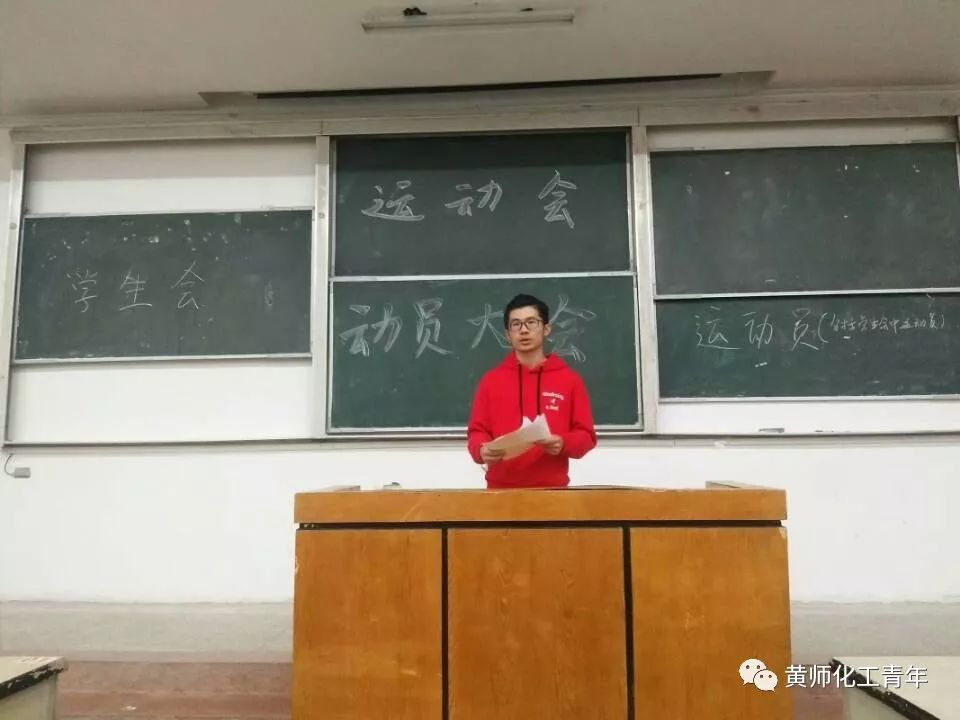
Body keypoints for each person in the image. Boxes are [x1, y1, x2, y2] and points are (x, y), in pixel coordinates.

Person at [466, 293, 597, 488]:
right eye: (516, 324)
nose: (524, 330)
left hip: (553, 492)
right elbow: (477, 432)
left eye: (531, 322)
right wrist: (481, 450)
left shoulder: (569, 380)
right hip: (499, 493)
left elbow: (586, 436)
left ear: (546, 329)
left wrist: (563, 442)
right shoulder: (490, 381)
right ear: (507, 334)